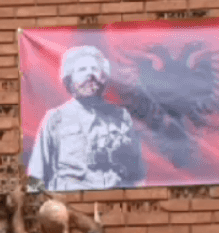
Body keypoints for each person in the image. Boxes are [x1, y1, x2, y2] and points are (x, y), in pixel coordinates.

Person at [28, 45, 146, 192]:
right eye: (82, 69)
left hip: (116, 199)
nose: (90, 74)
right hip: (72, 201)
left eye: (95, 69)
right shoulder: (55, 118)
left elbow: (137, 173)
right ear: (70, 79)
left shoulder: (121, 116)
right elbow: (36, 174)